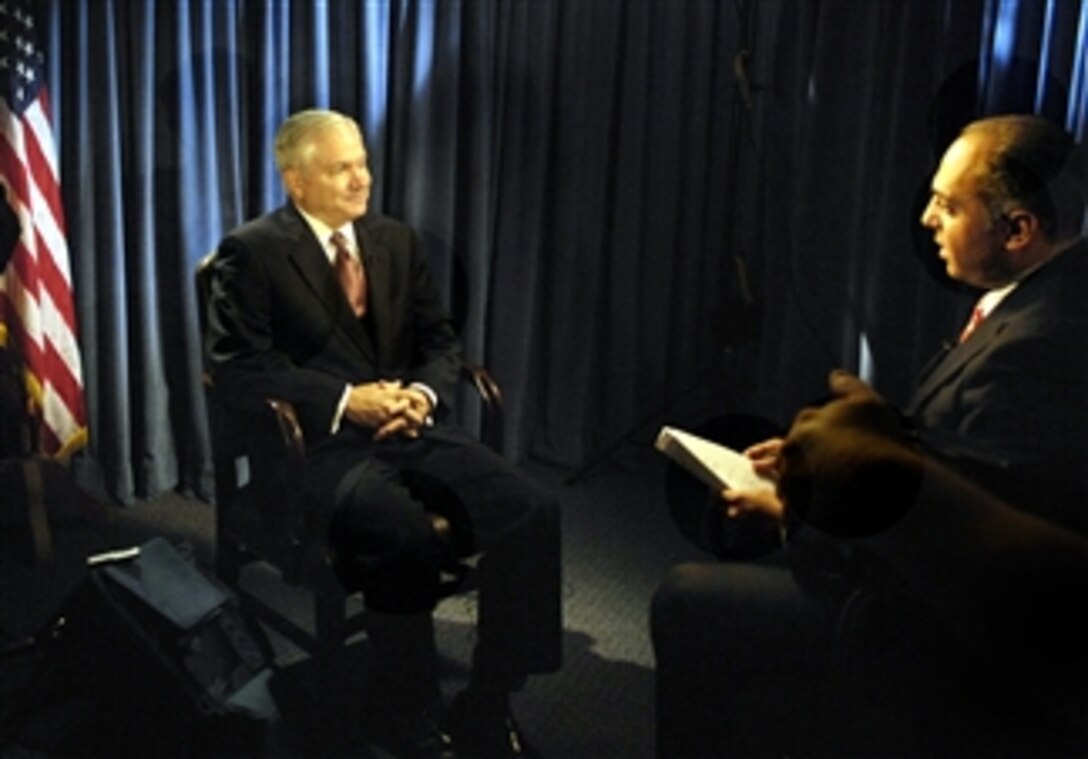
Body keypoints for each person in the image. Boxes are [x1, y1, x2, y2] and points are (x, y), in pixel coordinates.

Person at [651, 113, 1088, 756]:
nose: (926, 220)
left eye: (946, 205)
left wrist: (796, 509)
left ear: (1018, 228)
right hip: (930, 605)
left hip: (927, 643)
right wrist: (852, 448)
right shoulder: (1046, 301)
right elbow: (970, 464)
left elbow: (979, 554)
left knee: (686, 599)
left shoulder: (1038, 347)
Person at [206, 109, 562, 758]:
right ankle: (407, 710)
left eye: (362, 162)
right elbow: (237, 370)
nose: (360, 178)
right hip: (316, 449)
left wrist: (421, 395)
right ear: (296, 181)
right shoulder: (251, 251)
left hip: (411, 429)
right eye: (340, 167)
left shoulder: (396, 240)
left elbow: (440, 342)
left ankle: (488, 695)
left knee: (534, 510)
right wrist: (348, 401)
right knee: (403, 532)